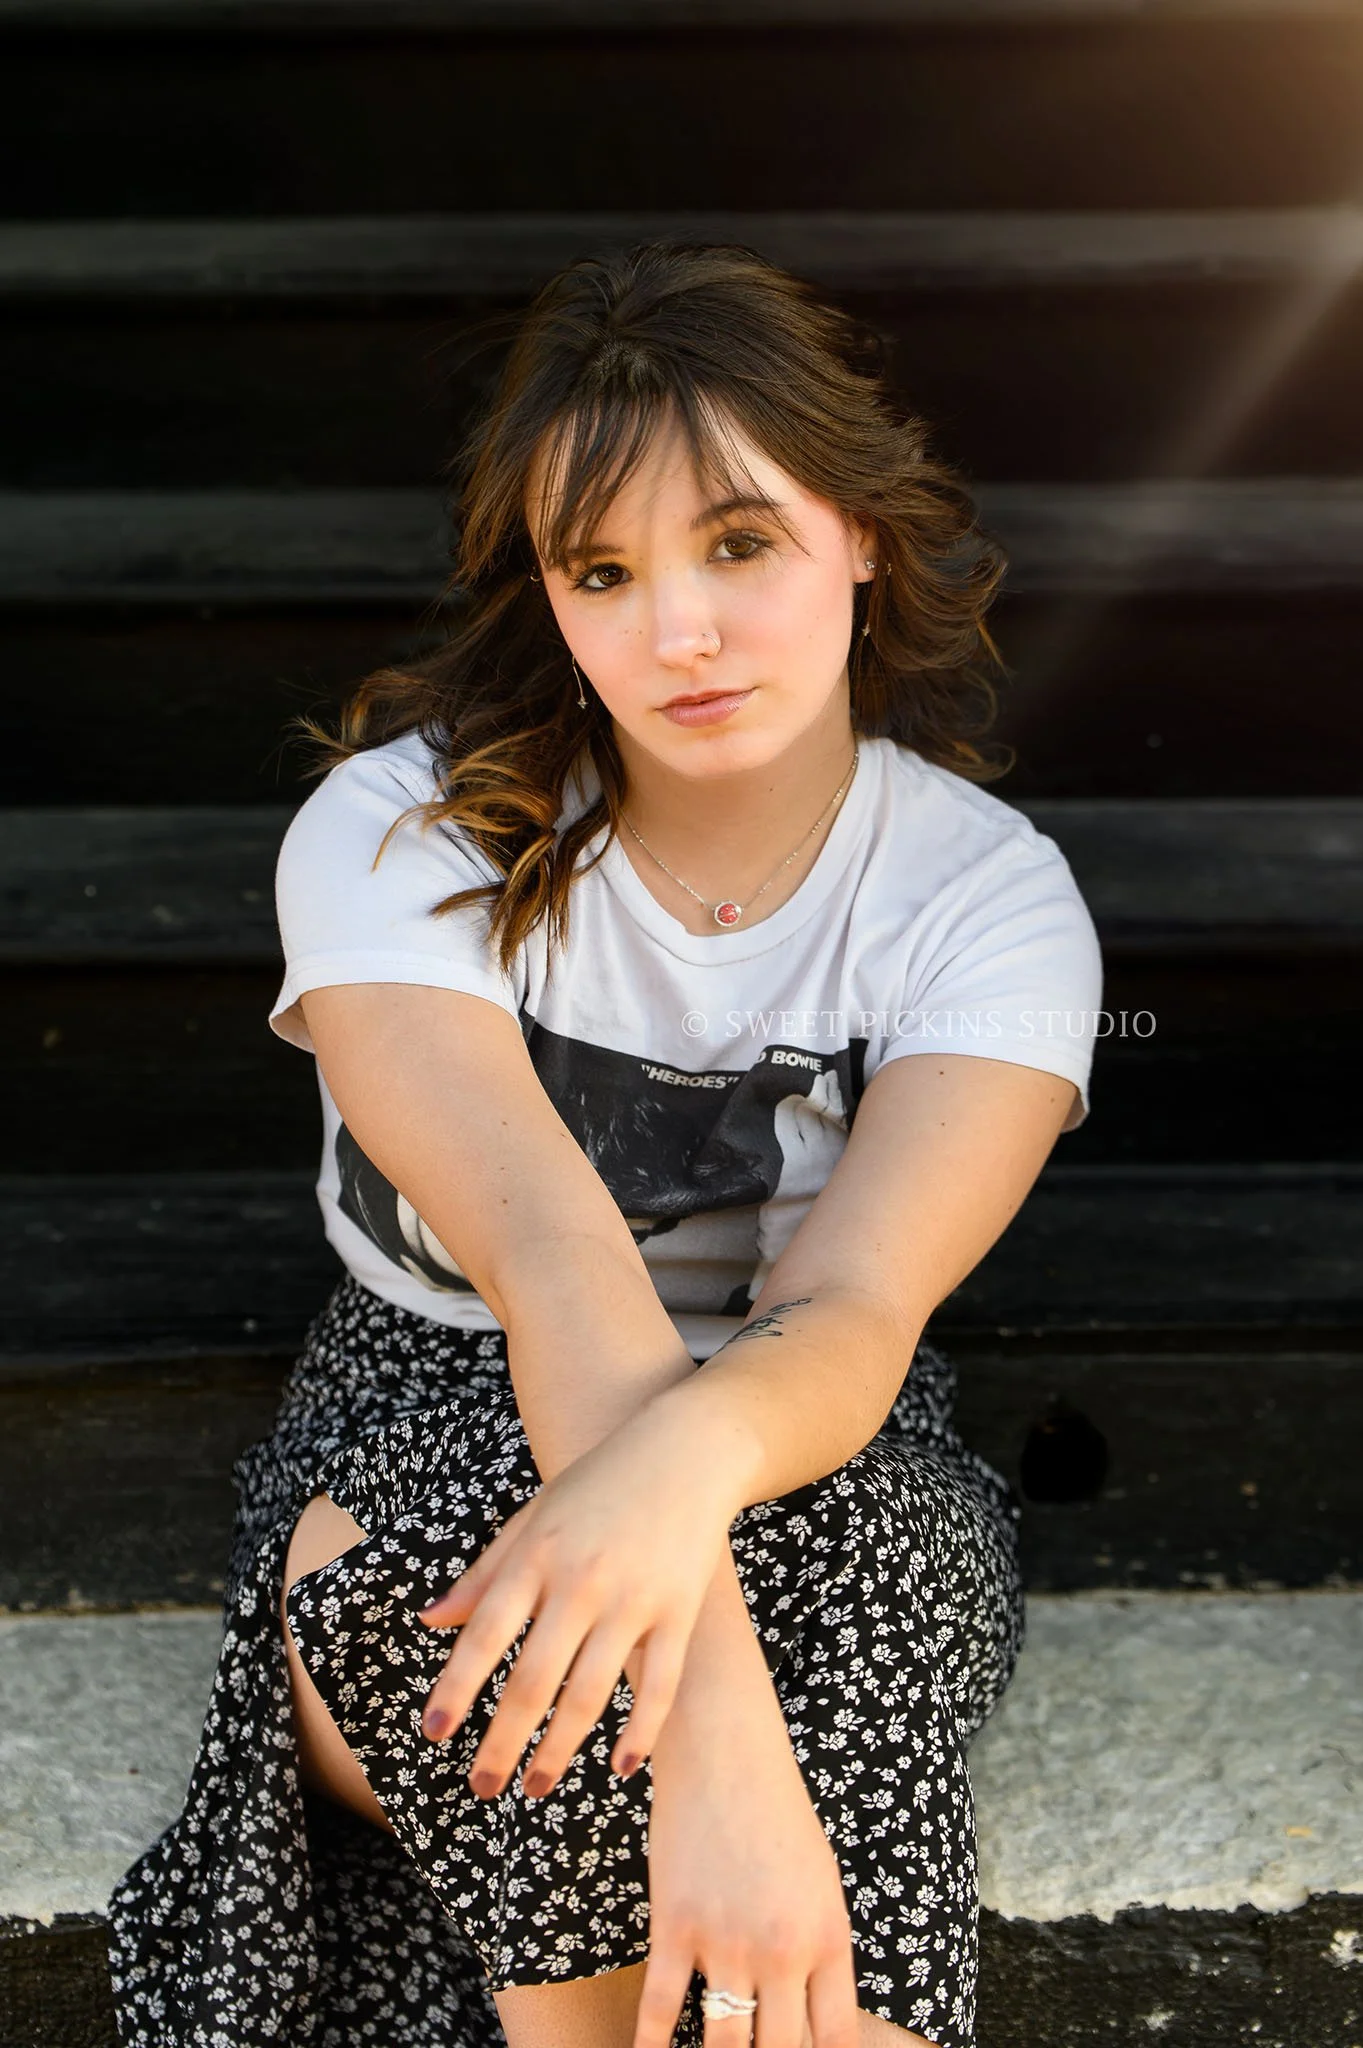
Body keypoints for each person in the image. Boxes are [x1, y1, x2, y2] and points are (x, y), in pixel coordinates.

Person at [107, 238, 1103, 2048]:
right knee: (473, 1576)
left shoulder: (986, 900)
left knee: (864, 1560)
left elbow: (852, 1313)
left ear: (860, 538)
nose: (679, 633)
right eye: (603, 572)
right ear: (548, 599)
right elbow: (552, 1262)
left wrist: (679, 1482)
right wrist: (723, 1742)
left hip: (805, 1410)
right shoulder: (402, 830)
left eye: (739, 544)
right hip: (440, 1385)